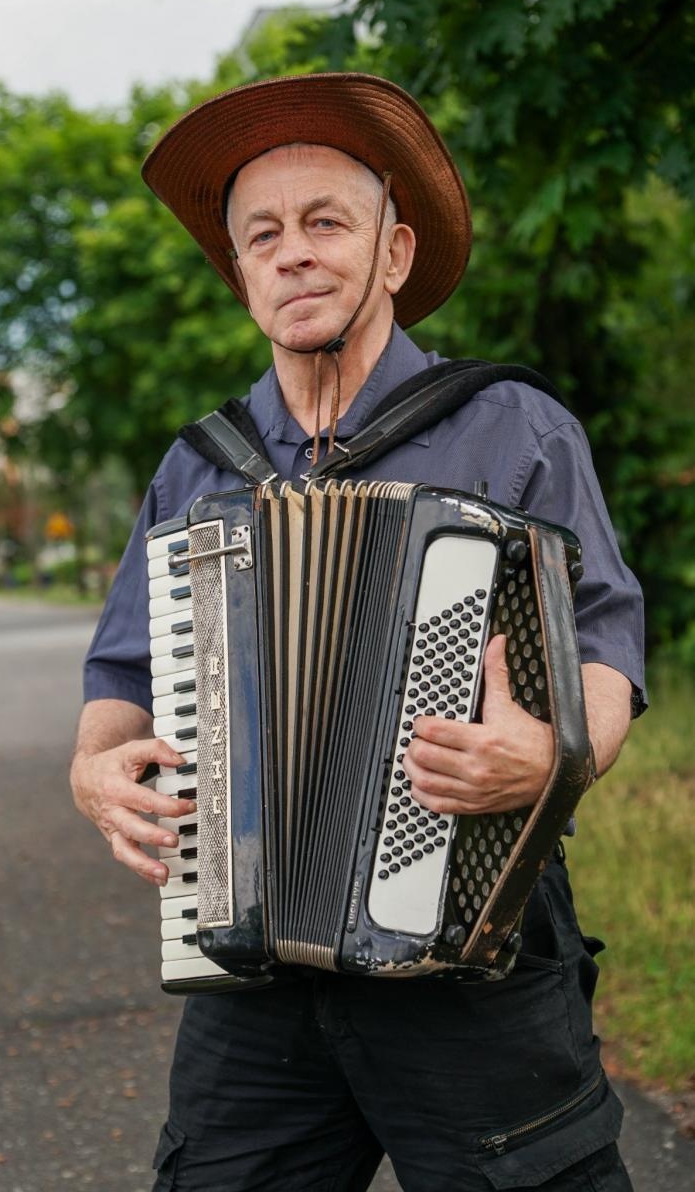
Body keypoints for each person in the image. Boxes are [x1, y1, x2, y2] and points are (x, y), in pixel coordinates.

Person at [70, 73, 645, 1191]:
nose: (292, 253)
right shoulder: (200, 465)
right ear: (240, 272)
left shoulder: (512, 426)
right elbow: (122, 667)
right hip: (250, 966)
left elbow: (605, 645)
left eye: (324, 221)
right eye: (262, 234)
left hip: (474, 955)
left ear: (392, 253)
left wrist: (554, 755)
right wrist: (95, 767)